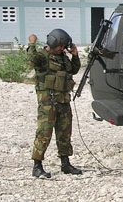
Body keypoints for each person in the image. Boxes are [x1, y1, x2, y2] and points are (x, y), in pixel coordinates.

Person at [26, 29, 82, 178]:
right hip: (47, 102)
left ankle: (65, 163)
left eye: (64, 47)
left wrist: (75, 55)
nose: (62, 49)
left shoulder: (63, 58)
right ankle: (37, 166)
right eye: (61, 46)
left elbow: (74, 70)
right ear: (54, 43)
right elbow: (30, 60)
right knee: (44, 133)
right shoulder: (42, 57)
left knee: (64, 132)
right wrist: (32, 43)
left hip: (63, 101)